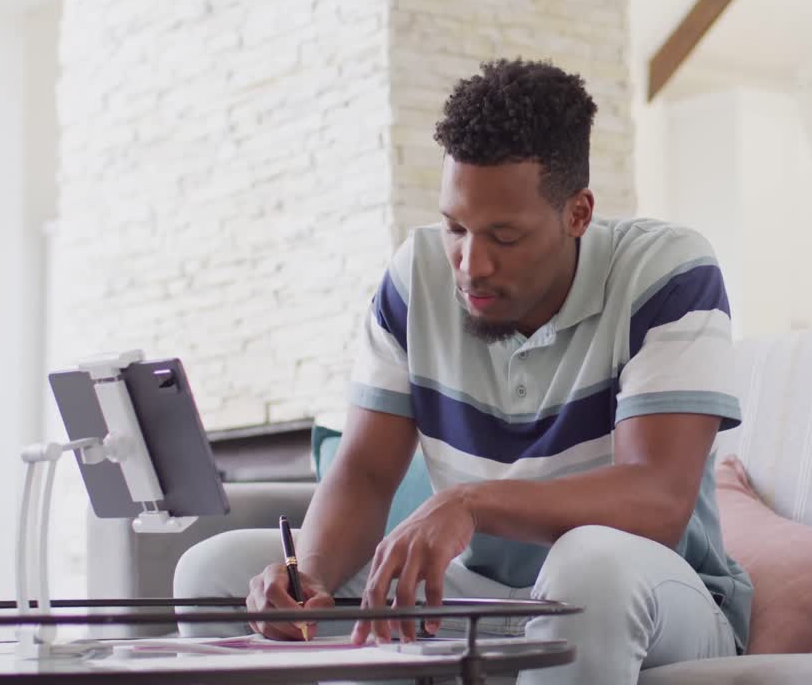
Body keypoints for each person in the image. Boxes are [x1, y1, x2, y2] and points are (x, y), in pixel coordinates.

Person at [174, 58, 752, 684]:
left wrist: (472, 503)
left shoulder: (667, 271)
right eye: (455, 227)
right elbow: (367, 472)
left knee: (589, 565)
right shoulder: (415, 276)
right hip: (469, 598)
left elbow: (658, 497)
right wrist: (308, 574)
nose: (470, 265)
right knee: (216, 572)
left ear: (578, 214)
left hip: (654, 597)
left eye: (504, 237)